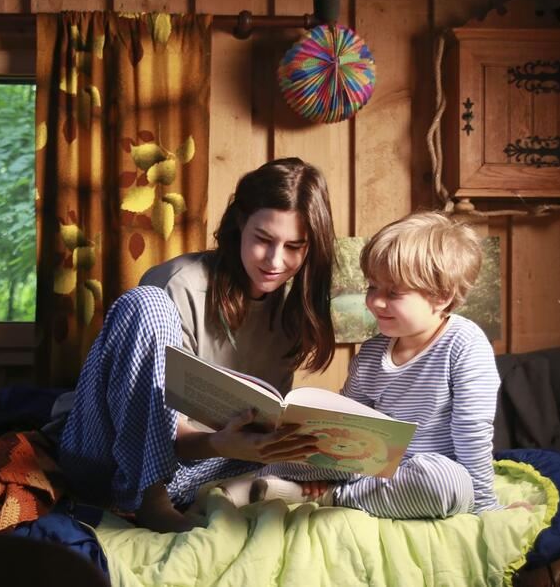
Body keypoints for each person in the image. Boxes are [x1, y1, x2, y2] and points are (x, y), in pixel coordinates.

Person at [57, 157, 338, 532]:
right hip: (107, 458)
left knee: (332, 462)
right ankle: (149, 500)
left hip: (197, 465)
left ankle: (257, 487)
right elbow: (154, 427)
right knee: (145, 304)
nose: (275, 260)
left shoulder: (291, 313)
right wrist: (224, 444)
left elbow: (251, 430)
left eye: (294, 246)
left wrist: (268, 446)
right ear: (240, 223)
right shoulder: (178, 284)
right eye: (264, 240)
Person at [242, 211, 502, 519]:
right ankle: (257, 485)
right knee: (287, 450)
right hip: (366, 464)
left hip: (424, 471)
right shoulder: (372, 351)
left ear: (441, 297)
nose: (375, 302)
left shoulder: (465, 344)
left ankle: (331, 497)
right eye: (372, 287)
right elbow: (347, 423)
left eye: (393, 292)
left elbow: (472, 431)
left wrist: (486, 505)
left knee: (450, 485)